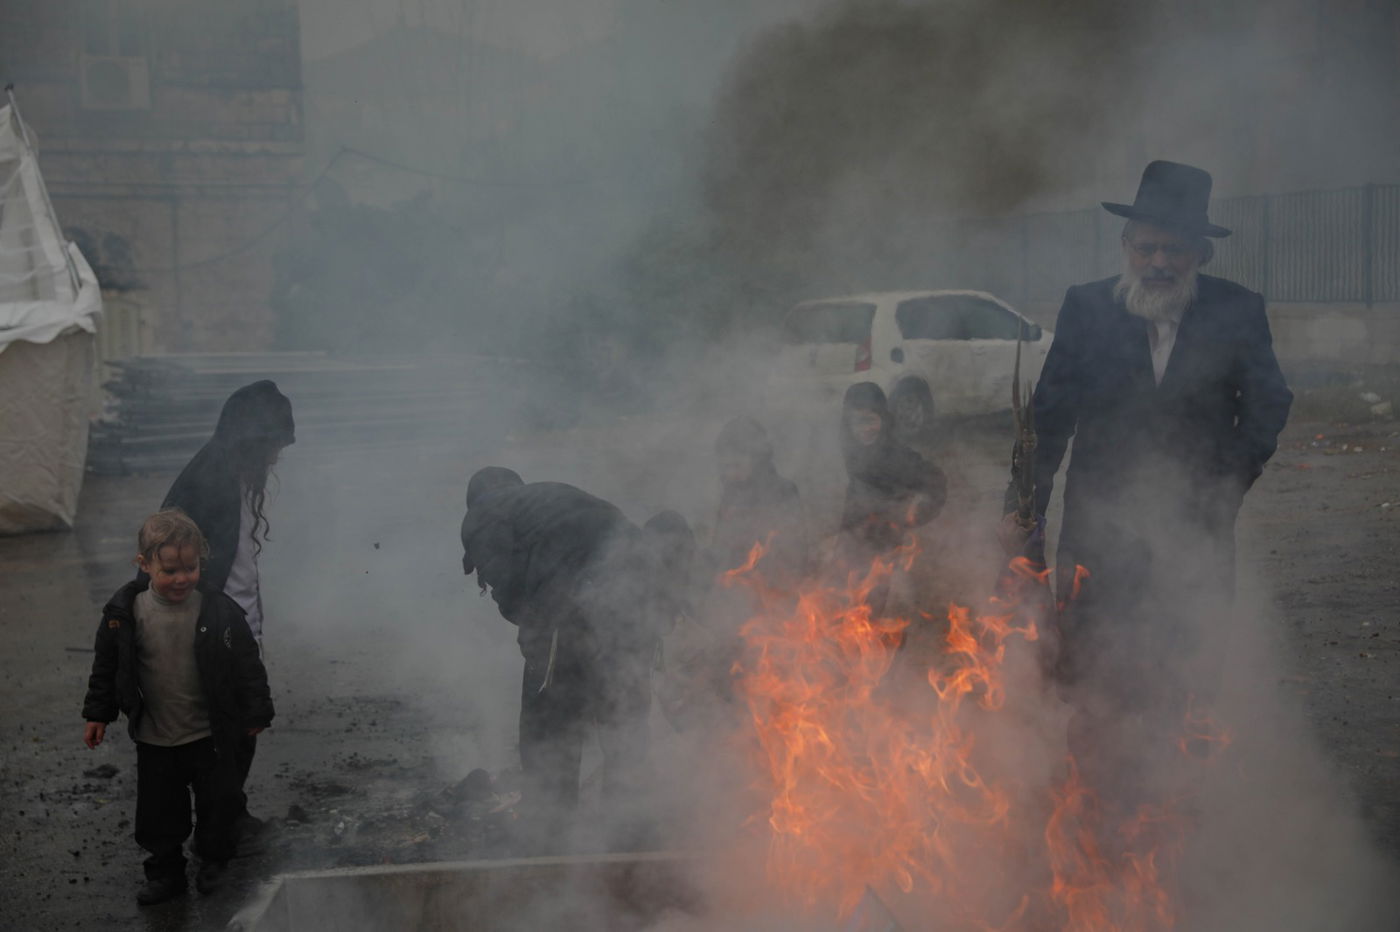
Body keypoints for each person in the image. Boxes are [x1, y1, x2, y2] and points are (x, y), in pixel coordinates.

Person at [1002, 161, 1293, 770]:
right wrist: (1022, 511)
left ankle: (1170, 803)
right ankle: (1087, 798)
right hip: (1097, 530)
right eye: (1147, 248)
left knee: (1183, 669)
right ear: (1126, 245)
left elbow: (1269, 402)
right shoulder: (1087, 307)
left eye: (1176, 251)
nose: (1159, 263)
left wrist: (1226, 485)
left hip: (1194, 531)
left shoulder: (1238, 310)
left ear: (1200, 255)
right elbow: (1050, 415)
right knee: (1086, 670)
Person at [460, 468, 669, 849]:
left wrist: (533, 630)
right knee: (622, 714)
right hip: (642, 592)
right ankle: (628, 827)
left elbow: (508, 584)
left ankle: (550, 831)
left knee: (548, 720)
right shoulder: (549, 496)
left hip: (581, 600)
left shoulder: (482, 516)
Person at [82, 510, 273, 905]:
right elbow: (106, 667)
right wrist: (98, 714)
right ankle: (165, 872)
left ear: (202, 562)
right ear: (144, 564)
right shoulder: (125, 614)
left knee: (217, 807)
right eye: (170, 570)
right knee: (159, 814)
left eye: (191, 568)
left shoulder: (217, 609)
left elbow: (246, 663)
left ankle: (214, 865)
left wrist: (256, 710)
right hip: (156, 737)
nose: (182, 578)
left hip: (209, 734)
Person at [160, 379, 293, 841]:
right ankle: (219, 837)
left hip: (235, 625)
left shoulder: (231, 471)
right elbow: (167, 559)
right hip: (215, 630)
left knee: (239, 734)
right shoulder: (209, 480)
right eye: (273, 445)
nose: (276, 457)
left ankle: (230, 817)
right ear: (253, 440)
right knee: (222, 738)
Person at [838, 382, 948, 562]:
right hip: (853, 541)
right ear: (848, 424)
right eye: (857, 422)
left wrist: (912, 515)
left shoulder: (896, 456)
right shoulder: (852, 448)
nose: (865, 429)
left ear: (883, 419)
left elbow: (936, 482)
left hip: (884, 555)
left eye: (871, 420)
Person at [711, 416, 809, 590]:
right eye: (726, 467)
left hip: (775, 593)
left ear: (756, 459)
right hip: (735, 591)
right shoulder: (731, 495)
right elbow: (720, 546)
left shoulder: (782, 491)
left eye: (737, 465)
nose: (731, 474)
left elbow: (794, 554)